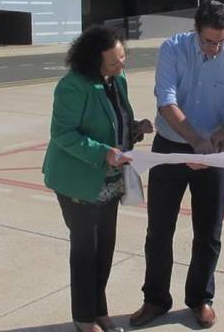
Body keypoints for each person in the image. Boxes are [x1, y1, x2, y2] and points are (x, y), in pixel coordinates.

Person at [130, 0, 224, 329]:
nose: (215, 48)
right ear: (195, 31)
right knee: (159, 230)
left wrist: (218, 138)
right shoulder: (173, 49)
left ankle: (200, 298)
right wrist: (194, 140)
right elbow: (166, 101)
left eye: (222, 41)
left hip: (214, 152)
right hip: (171, 146)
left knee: (209, 232)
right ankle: (155, 299)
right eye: (209, 41)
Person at [43, 25, 153, 332]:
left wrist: (134, 127)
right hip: (78, 181)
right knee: (84, 251)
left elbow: (115, 119)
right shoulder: (72, 86)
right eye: (113, 62)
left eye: (122, 57)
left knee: (104, 247)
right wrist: (103, 152)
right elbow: (62, 134)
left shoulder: (118, 80)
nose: (121, 65)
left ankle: (98, 310)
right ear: (94, 63)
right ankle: (84, 318)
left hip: (110, 181)